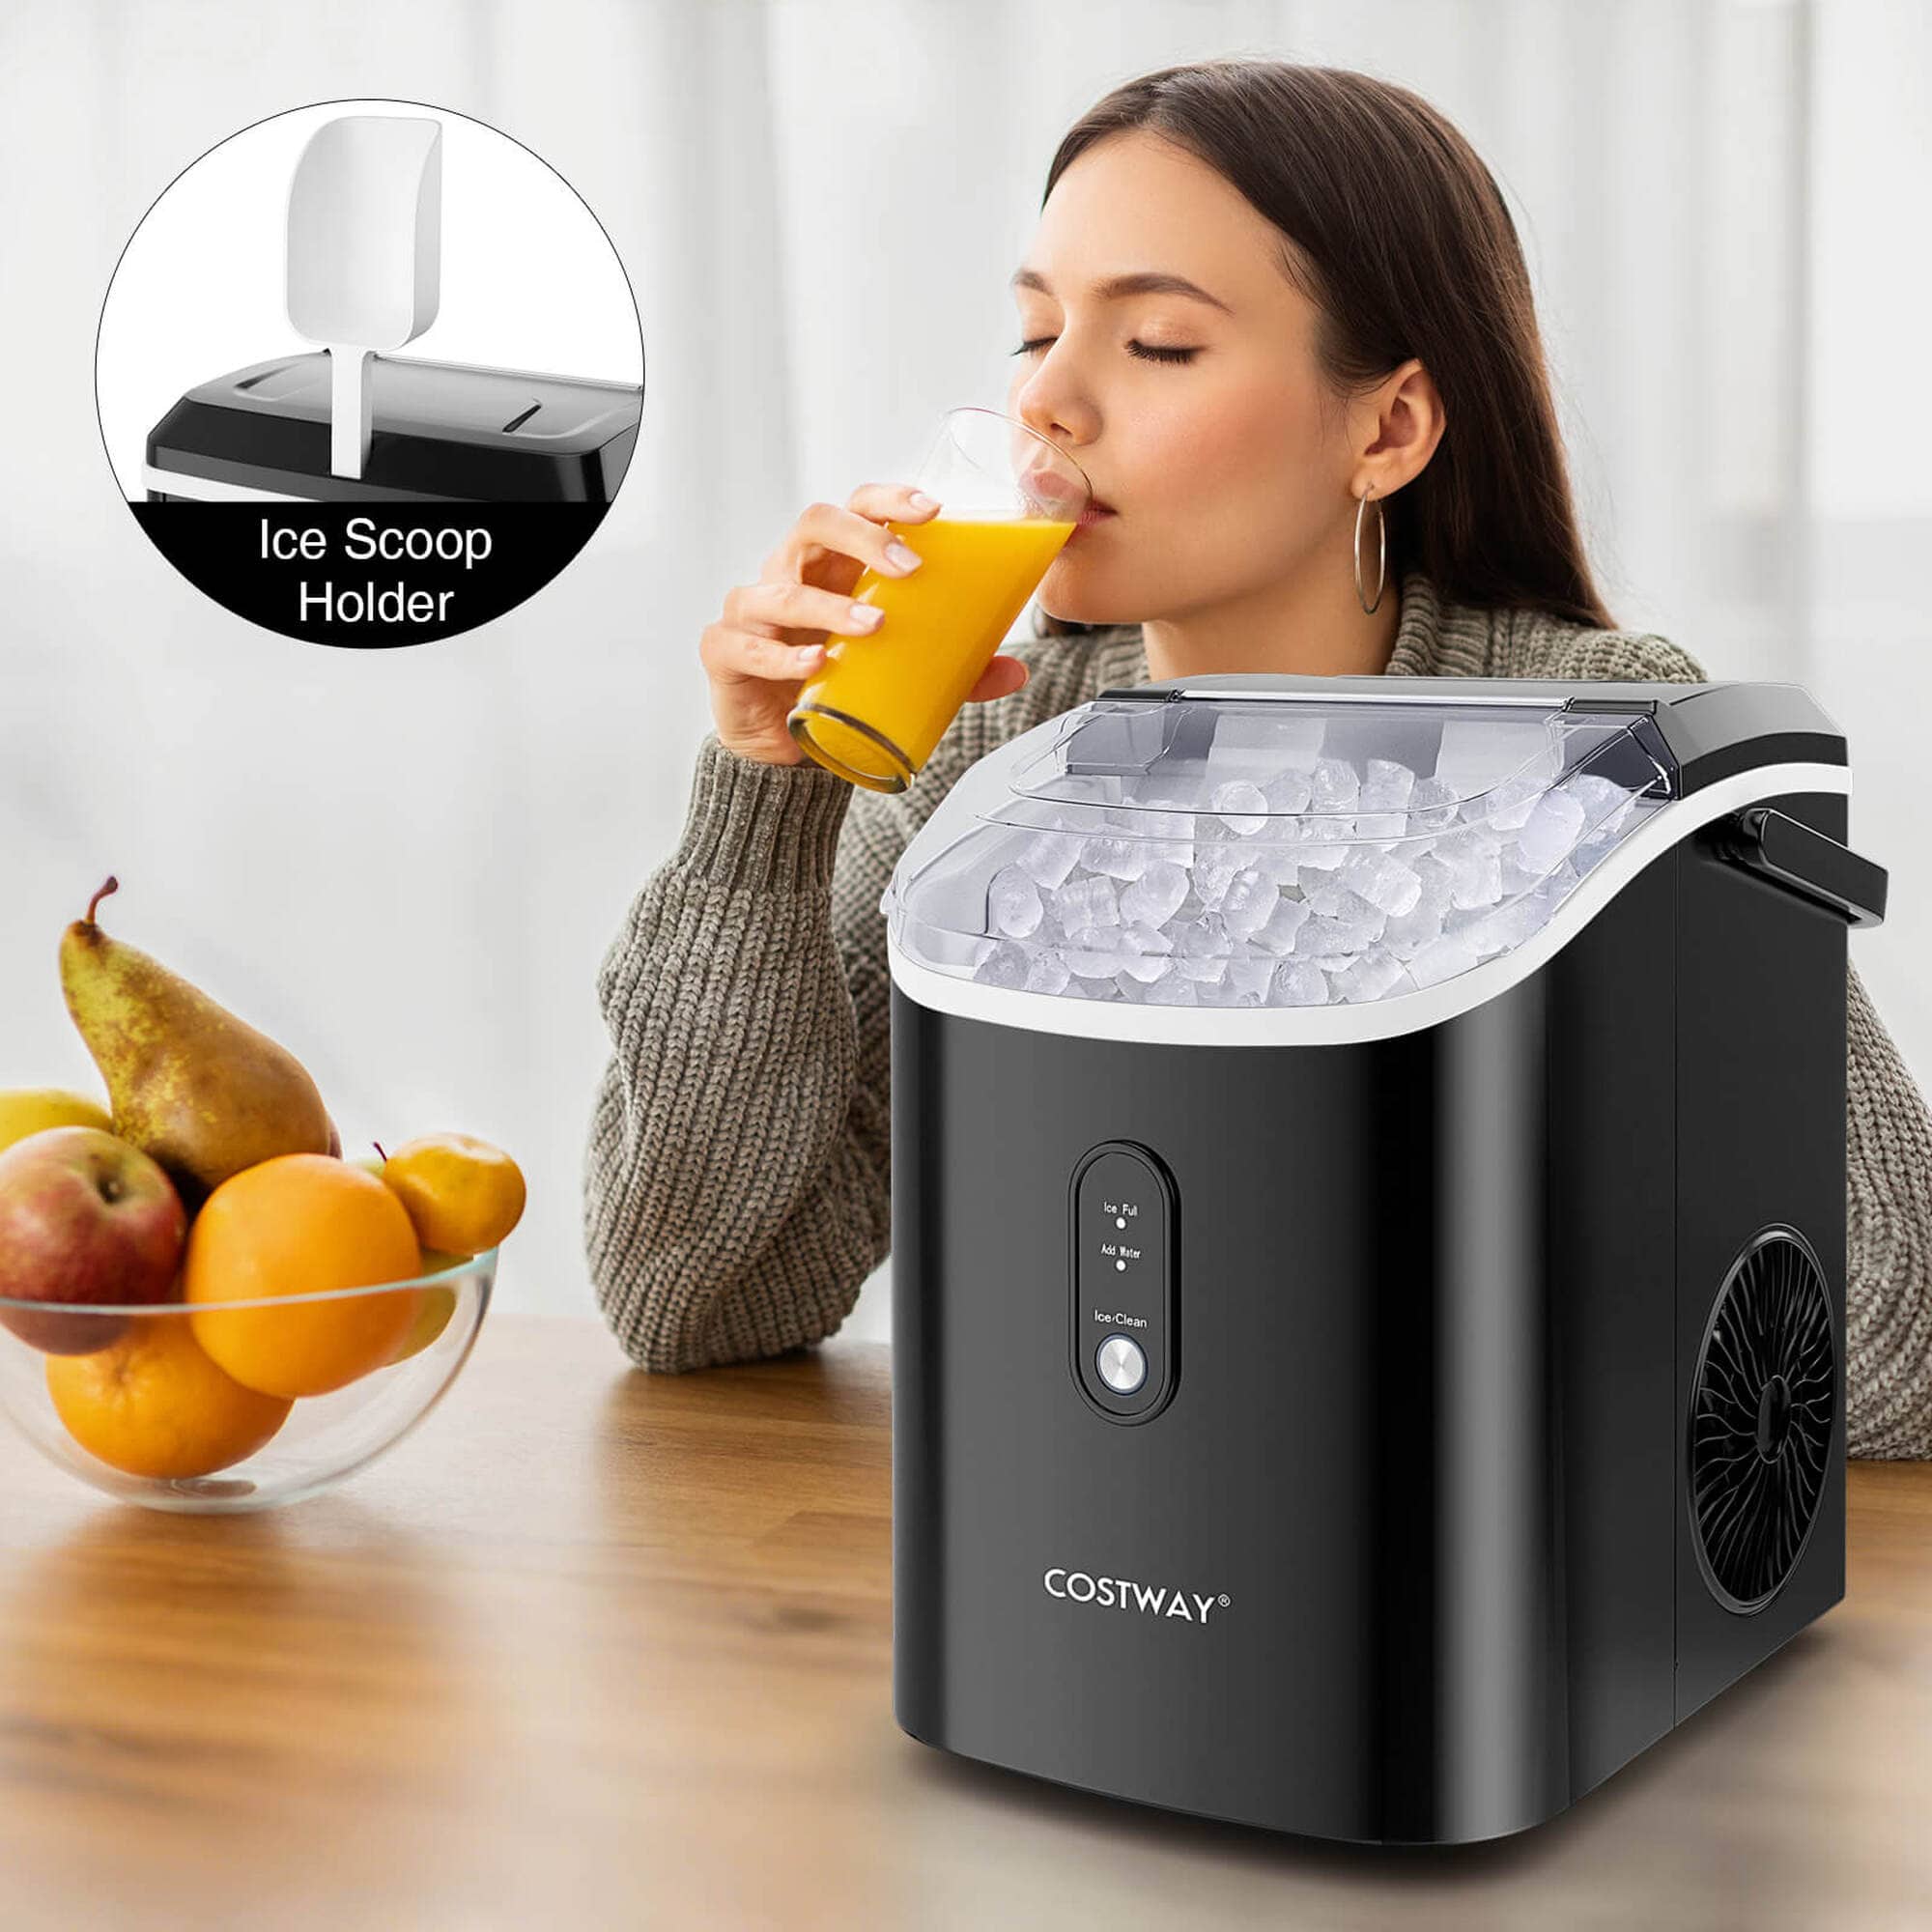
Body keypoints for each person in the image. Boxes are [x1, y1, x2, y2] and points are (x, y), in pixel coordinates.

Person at [584, 60, 1932, 1457]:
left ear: (1389, 427)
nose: (1048, 401)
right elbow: (697, 1301)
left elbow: (1895, 1338)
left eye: (1157, 343)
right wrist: (766, 796)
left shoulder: (1602, 741)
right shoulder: (992, 741)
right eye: (1035, 334)